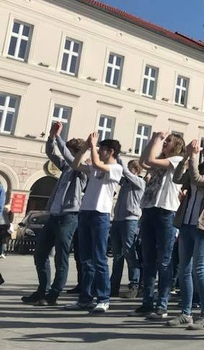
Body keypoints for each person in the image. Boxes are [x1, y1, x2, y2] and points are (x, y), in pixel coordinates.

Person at [22, 122, 85, 306]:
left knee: (61, 257)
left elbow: (65, 154)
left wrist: (59, 138)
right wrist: (51, 137)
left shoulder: (82, 169)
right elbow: (52, 153)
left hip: (69, 216)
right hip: (54, 215)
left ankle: (54, 294)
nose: (68, 155)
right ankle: (43, 289)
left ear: (76, 153)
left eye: (72, 151)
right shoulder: (66, 168)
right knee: (40, 253)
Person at [166, 137, 204, 330]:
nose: (203, 150)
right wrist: (185, 158)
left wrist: (191, 158)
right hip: (187, 222)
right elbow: (177, 179)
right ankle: (186, 313)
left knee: (199, 268)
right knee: (184, 268)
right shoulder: (197, 165)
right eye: (203, 147)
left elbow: (199, 181)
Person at [65, 132, 123, 313]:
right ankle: (85, 298)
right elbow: (75, 165)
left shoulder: (116, 168)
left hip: (101, 215)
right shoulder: (95, 168)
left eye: (102, 149)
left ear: (110, 151)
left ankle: (103, 298)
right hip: (86, 212)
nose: (98, 152)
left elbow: (97, 163)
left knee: (99, 258)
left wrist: (92, 145)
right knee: (85, 259)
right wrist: (85, 147)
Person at [130, 132, 186, 319]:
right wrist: (153, 140)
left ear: (177, 145)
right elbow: (144, 160)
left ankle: (162, 303)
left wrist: (156, 141)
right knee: (148, 259)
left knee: (164, 260)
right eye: (165, 140)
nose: (165, 142)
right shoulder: (160, 159)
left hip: (166, 212)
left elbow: (151, 160)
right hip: (149, 209)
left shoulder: (177, 159)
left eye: (168, 141)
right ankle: (147, 302)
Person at [109, 158, 145, 298]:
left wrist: (118, 157)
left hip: (130, 220)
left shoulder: (139, 182)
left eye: (130, 168)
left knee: (130, 252)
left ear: (136, 170)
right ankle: (114, 286)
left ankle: (134, 285)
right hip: (118, 220)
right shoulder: (124, 183)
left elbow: (126, 173)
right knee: (117, 255)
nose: (127, 172)